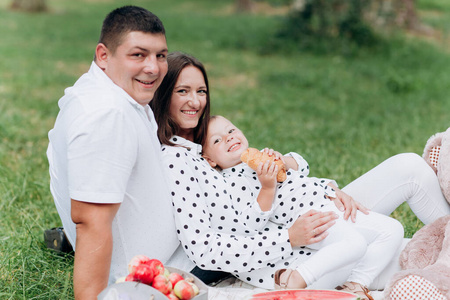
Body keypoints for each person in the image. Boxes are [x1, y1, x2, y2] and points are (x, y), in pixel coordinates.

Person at [151, 51, 450, 294]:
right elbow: (208, 249)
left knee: (408, 167)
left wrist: (328, 189)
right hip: (293, 256)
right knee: (411, 252)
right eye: (182, 91)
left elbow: (292, 174)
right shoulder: (179, 160)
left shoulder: (207, 138)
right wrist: (289, 237)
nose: (195, 101)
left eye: (201, 90)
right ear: (165, 96)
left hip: (309, 216)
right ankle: (357, 283)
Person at [46, 6, 191, 299]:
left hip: (176, 250)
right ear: (103, 55)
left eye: (161, 55)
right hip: (155, 276)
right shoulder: (106, 115)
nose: (154, 68)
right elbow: (91, 222)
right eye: (138, 55)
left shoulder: (114, 94)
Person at [201, 115, 404, 298]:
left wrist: (284, 160)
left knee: (393, 229)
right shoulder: (230, 183)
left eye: (231, 130)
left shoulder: (262, 156)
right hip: (310, 218)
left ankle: (355, 286)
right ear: (210, 159)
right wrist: (267, 187)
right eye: (217, 140)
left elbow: (303, 165)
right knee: (355, 243)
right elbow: (252, 222)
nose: (228, 137)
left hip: (327, 203)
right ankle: (295, 279)